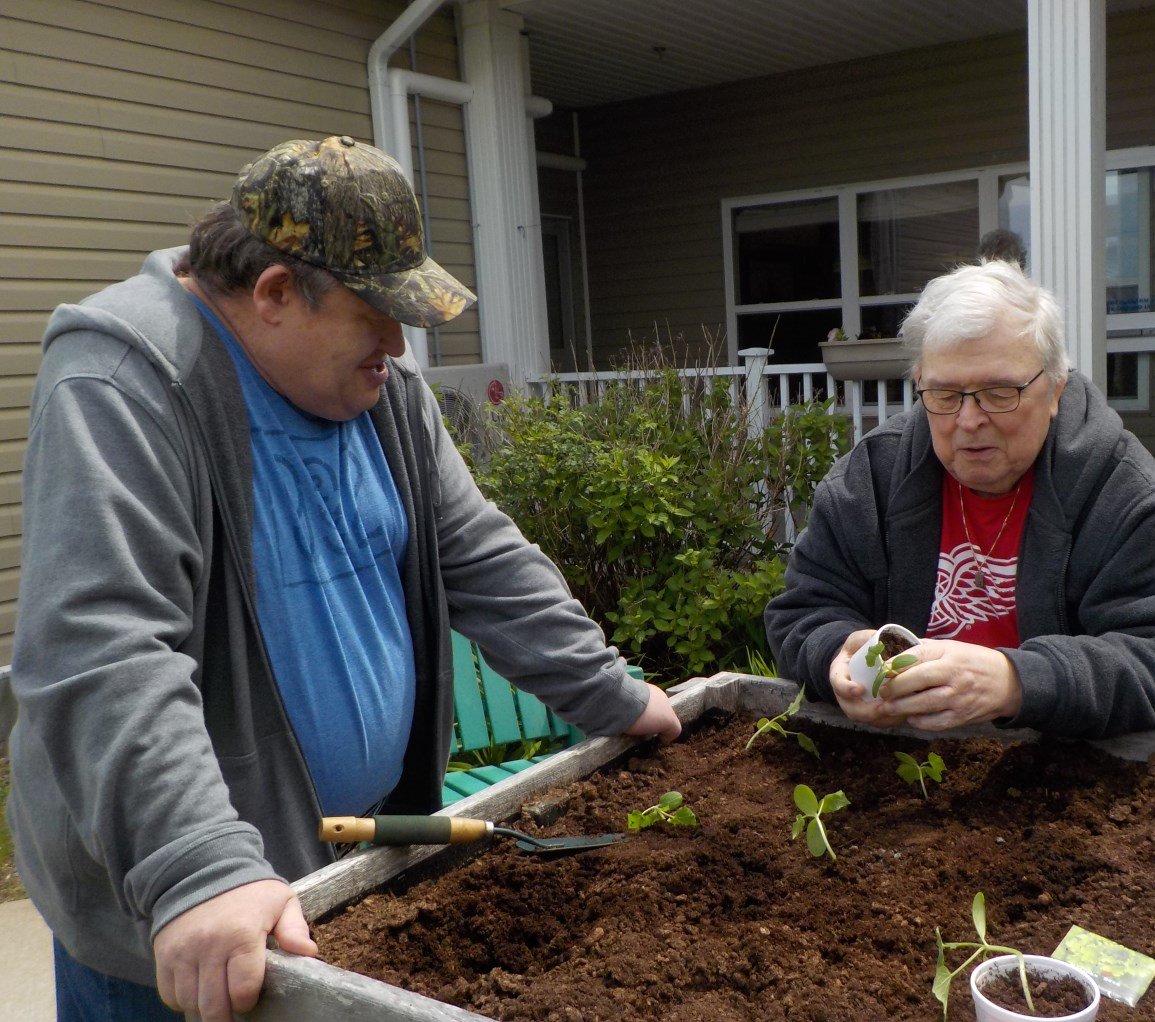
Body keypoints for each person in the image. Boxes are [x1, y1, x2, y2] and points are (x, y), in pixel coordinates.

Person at [8, 136, 682, 1022]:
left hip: (346, 873)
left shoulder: (380, 394)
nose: (398, 344)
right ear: (277, 294)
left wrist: (613, 695)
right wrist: (197, 866)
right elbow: (104, 645)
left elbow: (478, 552)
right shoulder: (126, 383)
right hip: (189, 917)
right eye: (375, 312)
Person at [766, 260, 1155, 738]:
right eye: (945, 394)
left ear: (1055, 388)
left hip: (1078, 766)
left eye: (998, 393)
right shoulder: (868, 481)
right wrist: (836, 650)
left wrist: (1017, 682)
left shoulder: (1123, 490)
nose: (969, 420)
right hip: (915, 767)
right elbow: (802, 612)